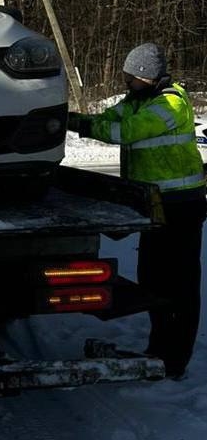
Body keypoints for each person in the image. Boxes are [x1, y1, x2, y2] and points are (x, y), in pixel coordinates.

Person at [68, 42, 206, 380]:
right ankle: (159, 349)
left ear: (146, 76)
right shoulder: (137, 100)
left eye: (130, 78)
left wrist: (79, 126)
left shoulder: (170, 103)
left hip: (182, 205)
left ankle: (174, 359)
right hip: (157, 206)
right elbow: (108, 118)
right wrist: (70, 119)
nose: (126, 83)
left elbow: (124, 131)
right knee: (154, 278)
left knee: (180, 284)